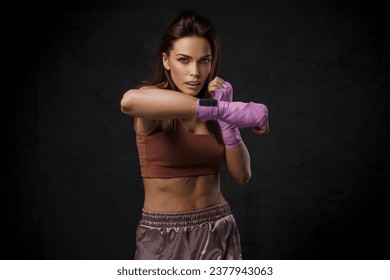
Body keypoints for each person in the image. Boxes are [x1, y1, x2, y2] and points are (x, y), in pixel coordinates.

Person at [120, 9, 269, 260]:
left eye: (204, 60)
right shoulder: (154, 101)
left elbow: (242, 176)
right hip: (163, 234)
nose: (196, 73)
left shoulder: (215, 109)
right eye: (184, 60)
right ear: (166, 61)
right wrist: (222, 109)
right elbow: (129, 101)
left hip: (218, 225)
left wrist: (227, 121)